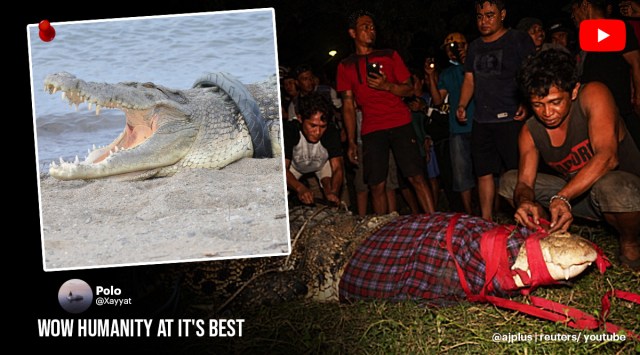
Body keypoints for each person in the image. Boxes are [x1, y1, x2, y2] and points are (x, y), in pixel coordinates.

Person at [498, 49, 640, 271]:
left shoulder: (593, 94)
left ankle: (631, 243)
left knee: (611, 185)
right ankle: (551, 239)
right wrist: (524, 201)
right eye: (537, 104)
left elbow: (607, 157)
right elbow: (524, 183)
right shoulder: (530, 131)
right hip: (579, 197)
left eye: (555, 102)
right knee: (509, 182)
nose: (547, 112)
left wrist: (562, 197)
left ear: (573, 91)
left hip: (627, 194)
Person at [337, 10, 436, 214]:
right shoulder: (345, 66)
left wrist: (387, 86)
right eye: (365, 27)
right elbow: (348, 105)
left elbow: (409, 89)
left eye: (372, 27)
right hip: (372, 128)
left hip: (399, 121)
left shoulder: (389, 55)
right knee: (376, 184)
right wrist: (351, 142)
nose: (371, 30)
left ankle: (435, 223)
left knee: (415, 176)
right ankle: (381, 231)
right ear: (352, 33)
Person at [456, 0, 536, 220]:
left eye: (490, 15)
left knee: (516, 172)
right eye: (480, 16)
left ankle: (527, 219)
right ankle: (486, 221)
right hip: (482, 119)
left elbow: (531, 74)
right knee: (483, 172)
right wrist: (462, 104)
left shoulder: (518, 40)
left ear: (502, 14)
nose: (484, 21)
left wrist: (527, 103)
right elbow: (469, 80)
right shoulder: (474, 46)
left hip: (511, 117)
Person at [570, 0, 640, 147]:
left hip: (617, 110)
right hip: (591, 110)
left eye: (574, 10)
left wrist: (638, 97)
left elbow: (636, 62)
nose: (572, 16)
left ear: (585, 5)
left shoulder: (616, 28)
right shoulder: (585, 34)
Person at [426, 32, 476, 215]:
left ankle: (492, 212)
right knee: (461, 174)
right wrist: (431, 76)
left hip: (481, 124)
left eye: (456, 46)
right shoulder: (447, 74)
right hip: (458, 129)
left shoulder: (476, 65)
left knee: (487, 171)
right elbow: (438, 100)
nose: (452, 51)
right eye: (448, 48)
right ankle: (469, 213)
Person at [285, 93, 345, 206]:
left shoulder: (331, 132)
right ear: (300, 118)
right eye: (312, 126)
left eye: (322, 127)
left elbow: (337, 168)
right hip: (293, 166)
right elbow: (281, 169)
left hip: (322, 163)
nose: (317, 132)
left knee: (331, 193)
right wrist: (300, 188)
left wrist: (333, 192)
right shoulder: (289, 130)